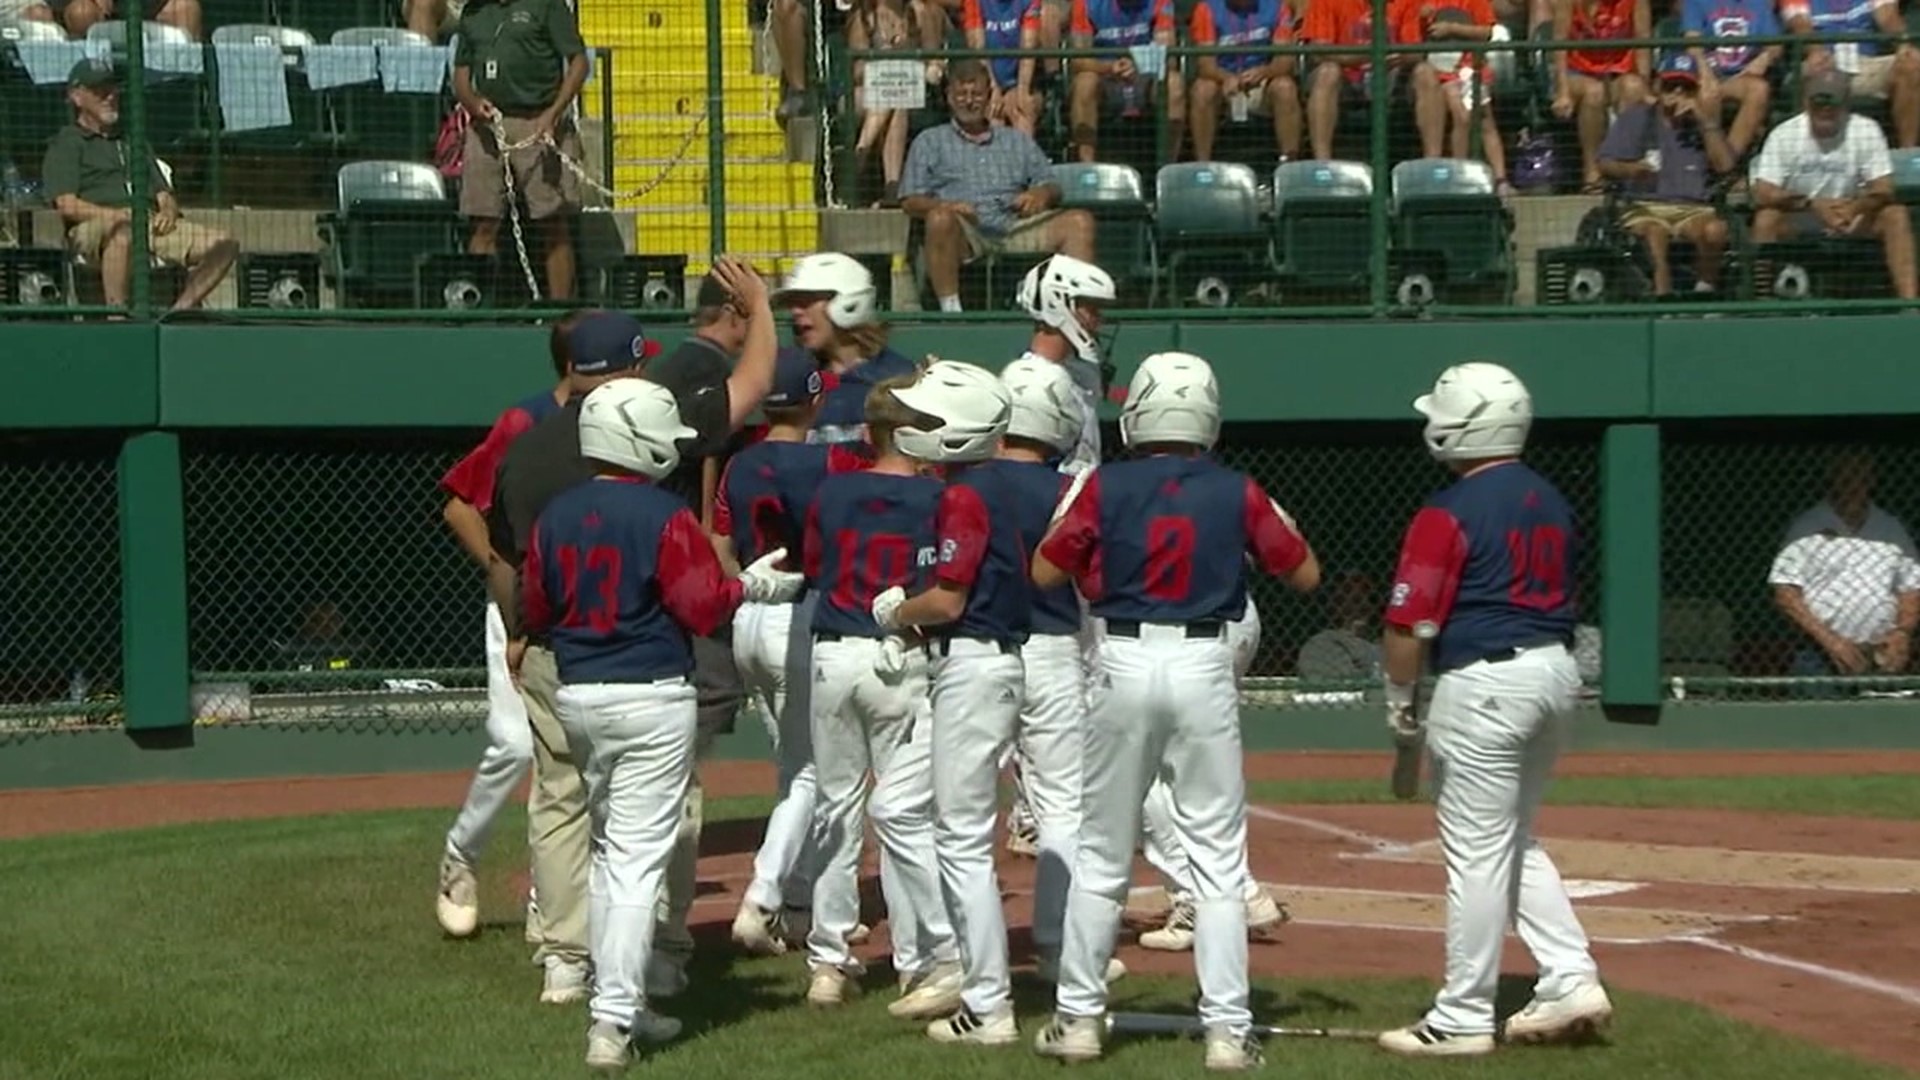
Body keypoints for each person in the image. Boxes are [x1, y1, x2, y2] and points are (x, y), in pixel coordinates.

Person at [1030, 351, 1321, 1071]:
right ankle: (1227, 1031)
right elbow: (1306, 575)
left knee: (1102, 852)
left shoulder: (1103, 485)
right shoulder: (1236, 490)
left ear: (1139, 415)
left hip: (1122, 657)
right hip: (1203, 662)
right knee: (1219, 860)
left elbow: (1044, 569)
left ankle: (1077, 1019)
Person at [517, 379, 804, 1071]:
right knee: (636, 861)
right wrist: (751, 586)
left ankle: (624, 1003)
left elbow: (538, 605)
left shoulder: (557, 514)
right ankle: (613, 1018)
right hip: (650, 694)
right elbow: (704, 608)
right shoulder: (664, 517)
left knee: (616, 850)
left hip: (581, 695)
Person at [1373, 361, 1609, 1057]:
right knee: (1513, 839)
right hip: (1555, 672)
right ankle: (1570, 975)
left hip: (1485, 682)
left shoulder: (1447, 510)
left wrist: (1399, 707)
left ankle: (1463, 1015)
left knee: (1476, 854)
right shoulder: (1551, 498)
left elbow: (1406, 621)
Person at [482, 311, 676, 1009]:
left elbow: (505, 558)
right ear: (627, 367)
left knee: (561, 798)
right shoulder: (649, 435)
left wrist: (517, 627)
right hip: (641, 649)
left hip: (553, 641)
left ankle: (565, 958)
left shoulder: (525, 449)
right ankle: (656, 956)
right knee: (661, 808)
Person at [630, 257, 781, 986]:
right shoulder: (695, 363)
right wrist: (712, 540)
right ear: (736, 315)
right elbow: (712, 450)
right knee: (694, 716)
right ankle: (659, 941)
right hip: (673, 563)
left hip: (649, 563)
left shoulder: (675, 363)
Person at [432, 310, 584, 1004]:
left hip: (590, 612)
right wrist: (501, 571)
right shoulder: (524, 422)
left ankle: (546, 904)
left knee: (569, 757)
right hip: (521, 606)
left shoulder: (629, 418)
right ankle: (459, 858)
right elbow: (460, 504)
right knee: (516, 745)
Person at [799, 373, 961, 1018]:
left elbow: (814, 564)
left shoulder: (834, 488)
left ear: (872, 433)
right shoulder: (938, 498)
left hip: (836, 653)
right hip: (903, 655)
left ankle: (827, 962)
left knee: (835, 809)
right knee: (903, 815)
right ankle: (916, 962)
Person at [717, 348, 875, 954]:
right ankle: (762, 896)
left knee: (794, 768)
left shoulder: (739, 463)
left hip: (749, 611)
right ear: (813, 399)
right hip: (800, 613)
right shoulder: (833, 459)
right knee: (812, 771)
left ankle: (803, 903)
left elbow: (720, 539)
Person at [41, 59, 237, 313]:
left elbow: (164, 194)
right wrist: (116, 215)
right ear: (77, 97)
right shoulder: (67, 143)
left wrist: (167, 211)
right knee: (124, 233)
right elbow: (66, 204)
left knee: (225, 244)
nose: (110, 96)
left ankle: (179, 311)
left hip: (148, 222)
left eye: (113, 89)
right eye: (101, 91)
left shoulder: (133, 141)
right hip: (96, 225)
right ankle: (118, 318)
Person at [900, 60, 1096, 312]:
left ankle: (1079, 311)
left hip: (1014, 224)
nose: (969, 101)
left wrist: (1040, 193)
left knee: (1080, 221)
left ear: (990, 97)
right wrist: (947, 206)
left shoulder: (1016, 141)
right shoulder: (929, 141)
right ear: (949, 97)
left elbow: (1052, 186)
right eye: (961, 94)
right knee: (939, 219)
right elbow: (909, 200)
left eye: (976, 94)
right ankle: (951, 311)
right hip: (964, 230)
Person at [451, 0, 591, 300]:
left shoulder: (547, 5)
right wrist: (473, 103)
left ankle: (560, 311)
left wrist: (552, 115)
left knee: (553, 222)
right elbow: (461, 75)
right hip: (488, 127)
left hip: (539, 119)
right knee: (483, 221)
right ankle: (480, 307)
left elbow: (579, 63)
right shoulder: (473, 12)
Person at [1750, 69, 1919, 300]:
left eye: (1833, 101)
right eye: (1819, 100)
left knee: (1895, 215)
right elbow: (1763, 192)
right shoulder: (1784, 134)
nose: (1825, 108)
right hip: (1802, 217)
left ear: (1846, 102)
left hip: (1852, 216)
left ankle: (1910, 303)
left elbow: (1884, 187)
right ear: (1806, 101)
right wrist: (1812, 204)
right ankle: (1761, 299)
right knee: (1766, 219)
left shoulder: (1866, 130)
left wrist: (1856, 207)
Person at [1596, 53, 1737, 297]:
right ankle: (1663, 298)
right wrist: (1631, 169)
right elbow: (1605, 164)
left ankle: (1704, 291)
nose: (1677, 93)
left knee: (1715, 230)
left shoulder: (1703, 124)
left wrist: (1704, 121)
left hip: (1693, 208)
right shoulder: (1637, 117)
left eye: (1686, 88)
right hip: (1646, 205)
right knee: (1654, 233)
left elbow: (1725, 166)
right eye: (1671, 86)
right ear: (1658, 87)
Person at [774, 252, 920, 445]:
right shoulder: (795, 380)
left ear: (849, 302)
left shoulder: (898, 378)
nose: (795, 311)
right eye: (793, 304)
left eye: (806, 301)